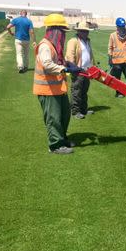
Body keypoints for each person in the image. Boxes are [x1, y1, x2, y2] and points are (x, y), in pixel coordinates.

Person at [33, 13, 82, 155]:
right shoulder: (45, 46)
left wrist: (70, 64)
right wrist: (65, 68)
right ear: (54, 30)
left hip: (58, 89)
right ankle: (55, 145)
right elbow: (48, 64)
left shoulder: (55, 46)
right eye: (61, 31)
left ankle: (62, 138)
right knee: (53, 118)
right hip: (47, 89)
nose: (63, 35)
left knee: (65, 115)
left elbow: (59, 60)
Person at [65, 22, 95, 119]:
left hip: (87, 71)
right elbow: (70, 56)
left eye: (86, 31)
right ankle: (75, 111)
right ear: (78, 31)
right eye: (83, 31)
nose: (86, 33)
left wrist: (93, 67)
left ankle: (83, 110)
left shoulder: (87, 41)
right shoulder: (73, 41)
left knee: (84, 92)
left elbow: (90, 55)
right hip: (78, 71)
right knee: (76, 91)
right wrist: (74, 69)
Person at [108, 17, 126, 98]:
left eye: (123, 26)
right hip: (116, 61)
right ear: (117, 26)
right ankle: (119, 93)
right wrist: (110, 59)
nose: (122, 28)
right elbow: (110, 47)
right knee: (117, 79)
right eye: (120, 26)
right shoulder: (112, 35)